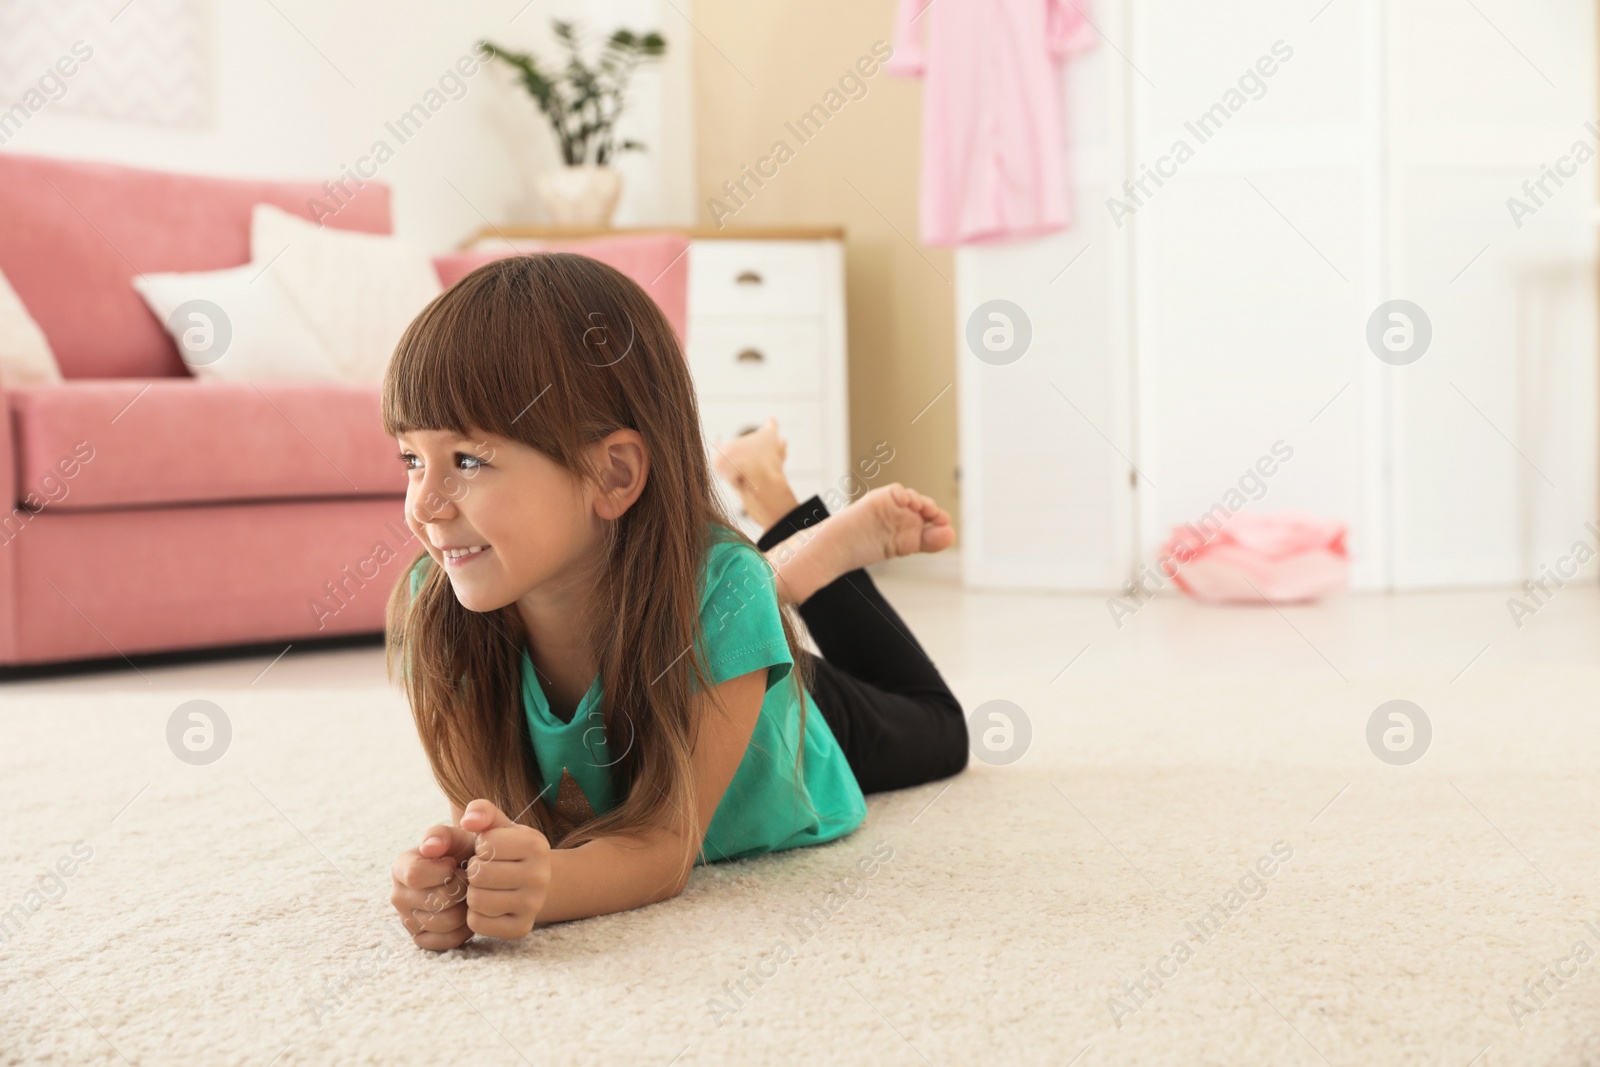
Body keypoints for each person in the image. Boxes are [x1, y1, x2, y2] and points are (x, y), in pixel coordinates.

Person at [383, 252, 968, 951]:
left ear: (614, 473)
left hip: (779, 720)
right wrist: (461, 878)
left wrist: (547, 890)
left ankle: (795, 534)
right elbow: (491, 824)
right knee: (724, 599)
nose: (422, 503)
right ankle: (776, 574)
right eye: (411, 459)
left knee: (943, 729)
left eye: (467, 461)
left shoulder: (718, 593)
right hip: (698, 634)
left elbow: (663, 851)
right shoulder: (437, 607)